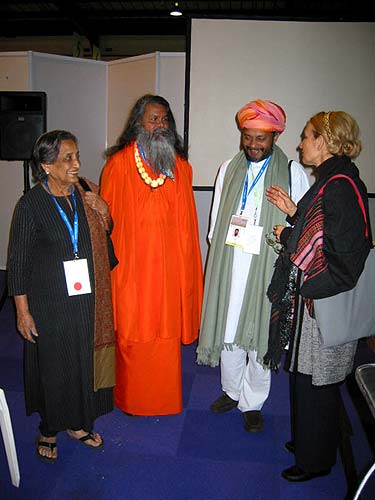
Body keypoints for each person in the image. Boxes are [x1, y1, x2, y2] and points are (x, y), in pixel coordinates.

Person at [265, 111, 372, 481]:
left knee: (318, 384)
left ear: (325, 141)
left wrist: (288, 242)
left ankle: (316, 461)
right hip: (315, 300)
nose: (300, 143)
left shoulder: (339, 185)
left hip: (322, 302)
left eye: (307, 136)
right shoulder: (334, 180)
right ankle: (310, 440)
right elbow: (322, 231)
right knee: (306, 379)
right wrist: (295, 214)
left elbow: (343, 259)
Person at [196, 99, 310, 433]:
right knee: (230, 326)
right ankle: (231, 391)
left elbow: (302, 223)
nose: (253, 145)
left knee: (261, 330)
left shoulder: (292, 172)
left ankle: (253, 401)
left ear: (274, 136)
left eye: (260, 138)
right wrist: (218, 256)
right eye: (248, 136)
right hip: (232, 259)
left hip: (269, 264)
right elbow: (217, 219)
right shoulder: (229, 166)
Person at [7, 130, 115, 463]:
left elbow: (107, 233)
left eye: (77, 155)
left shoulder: (86, 192)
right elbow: (18, 263)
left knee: (82, 360)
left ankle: (79, 423)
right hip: (49, 300)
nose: (77, 164)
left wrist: (104, 208)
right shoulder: (31, 204)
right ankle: (49, 428)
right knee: (54, 365)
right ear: (46, 165)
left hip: (86, 296)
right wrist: (23, 313)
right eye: (67, 158)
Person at [100, 94, 203, 416]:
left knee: (164, 330)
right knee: (132, 329)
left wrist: (186, 269)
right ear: (138, 124)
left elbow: (187, 227)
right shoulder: (118, 165)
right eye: (153, 119)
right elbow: (106, 224)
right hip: (132, 270)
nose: (160, 126)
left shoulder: (181, 168)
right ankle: (132, 398)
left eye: (164, 120)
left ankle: (162, 399)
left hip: (167, 270)